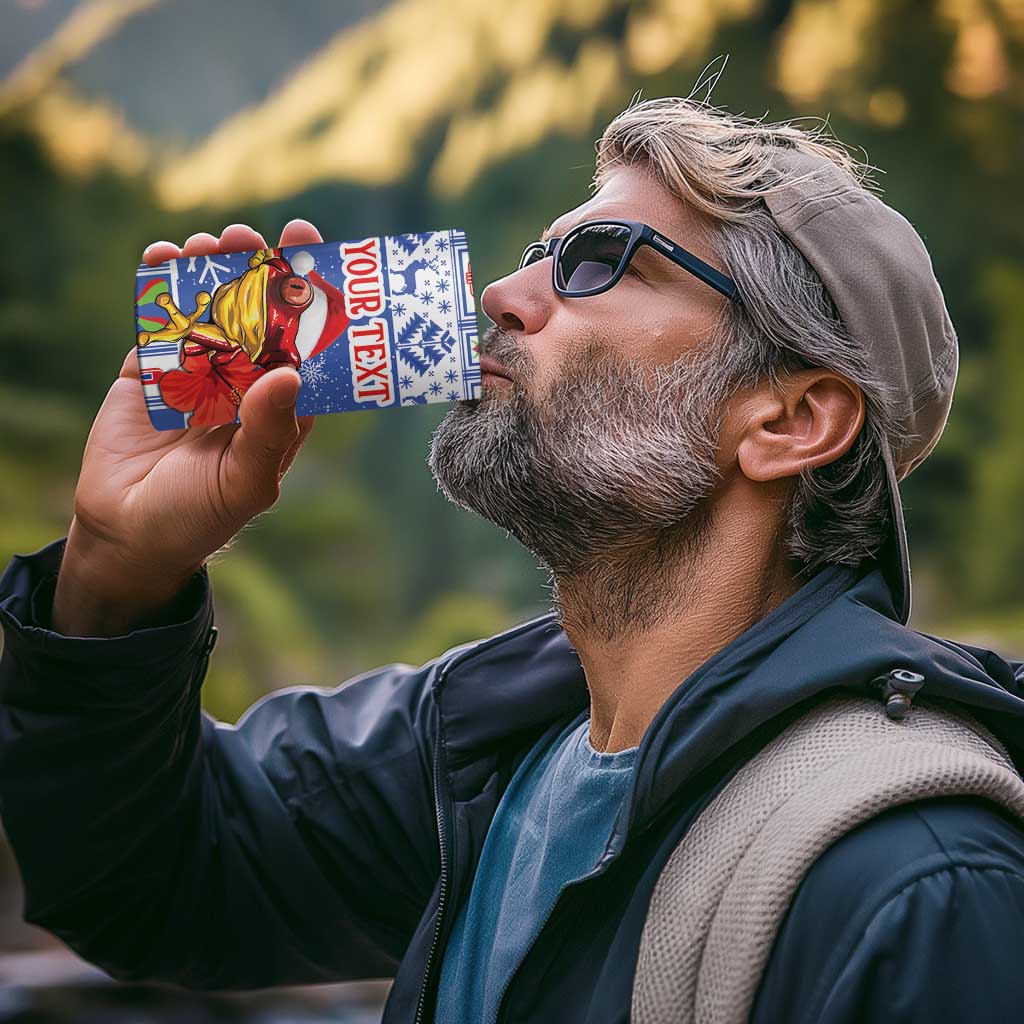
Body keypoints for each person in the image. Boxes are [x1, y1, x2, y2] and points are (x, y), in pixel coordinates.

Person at [2, 96, 1024, 1024]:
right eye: (540, 252)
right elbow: (149, 880)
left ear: (791, 419)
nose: (501, 292)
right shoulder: (479, 749)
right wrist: (116, 570)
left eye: (599, 261)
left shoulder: (918, 883)